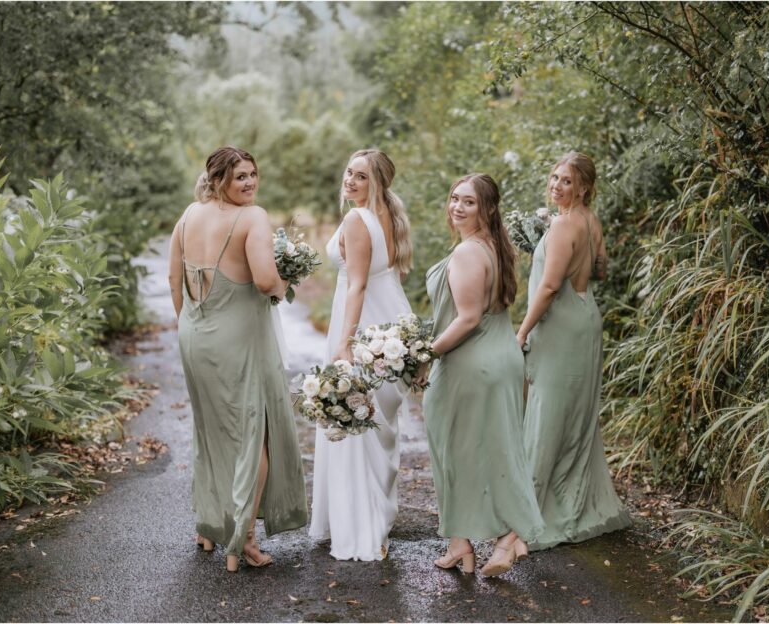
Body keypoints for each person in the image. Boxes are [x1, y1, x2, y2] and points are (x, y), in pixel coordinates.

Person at [167, 147, 308, 572]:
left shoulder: (189, 215)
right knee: (254, 434)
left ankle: (209, 526)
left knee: (211, 432)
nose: (249, 183)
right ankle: (243, 538)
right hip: (239, 341)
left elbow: (175, 280)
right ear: (218, 180)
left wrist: (193, 325)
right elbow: (265, 281)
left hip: (195, 335)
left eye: (252, 174)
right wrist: (286, 282)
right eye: (239, 177)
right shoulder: (252, 218)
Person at [421, 173, 543, 576]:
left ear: (487, 209)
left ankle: (508, 535)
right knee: (489, 452)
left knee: (459, 453)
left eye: (468, 202)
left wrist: (425, 352)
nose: (457, 207)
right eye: (454, 198)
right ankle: (462, 544)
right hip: (500, 358)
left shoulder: (468, 254)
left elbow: (469, 318)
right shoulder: (494, 246)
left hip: (473, 365)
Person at [516, 151, 632, 551]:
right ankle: (576, 501)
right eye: (553, 177)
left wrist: (521, 332)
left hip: (561, 326)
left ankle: (531, 512)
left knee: (549, 413)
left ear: (583, 187)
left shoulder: (566, 225)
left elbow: (548, 288)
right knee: (575, 414)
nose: (556, 185)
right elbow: (601, 270)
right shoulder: (589, 220)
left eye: (566, 181)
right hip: (586, 316)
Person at [309, 149, 414, 561]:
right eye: (349, 173)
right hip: (383, 324)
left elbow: (357, 285)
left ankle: (362, 528)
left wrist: (344, 342)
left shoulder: (357, 219)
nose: (350, 181)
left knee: (356, 426)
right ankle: (371, 520)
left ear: (379, 183)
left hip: (359, 325)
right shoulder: (388, 213)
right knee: (372, 425)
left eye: (361, 177)